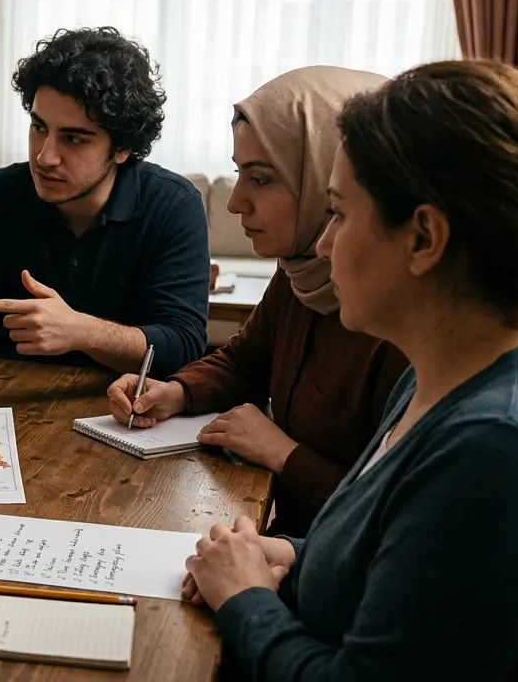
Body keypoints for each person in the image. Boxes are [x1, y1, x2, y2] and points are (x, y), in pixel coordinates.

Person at [183, 60, 518, 679]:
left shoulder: (502, 447)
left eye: (339, 214)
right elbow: (395, 558)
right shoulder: (445, 372)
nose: (323, 245)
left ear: (424, 239)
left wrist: (245, 599)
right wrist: (291, 555)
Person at [106, 67, 407, 536]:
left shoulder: (404, 320)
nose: (235, 203)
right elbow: (247, 360)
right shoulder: (300, 272)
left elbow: (398, 518)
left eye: (262, 179)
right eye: (239, 173)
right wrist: (177, 392)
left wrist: (285, 455)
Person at [0, 27, 209, 377]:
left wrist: (81, 332)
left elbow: (182, 346)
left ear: (123, 148)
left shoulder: (173, 205)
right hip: (16, 399)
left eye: (73, 139)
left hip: (130, 404)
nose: (44, 157)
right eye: (38, 127)